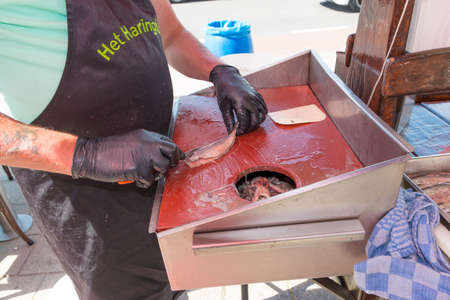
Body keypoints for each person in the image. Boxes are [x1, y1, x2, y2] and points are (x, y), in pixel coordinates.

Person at [0, 0, 267, 299]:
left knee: (174, 278)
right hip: (89, 206)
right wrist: (88, 155)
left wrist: (219, 70)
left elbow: (173, 34)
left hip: (161, 172)